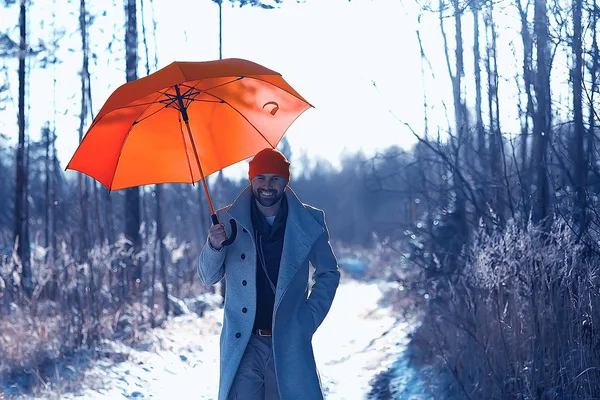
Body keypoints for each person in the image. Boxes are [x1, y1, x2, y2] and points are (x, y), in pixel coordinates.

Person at [197, 147, 340, 400]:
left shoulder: (309, 220)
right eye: (261, 177)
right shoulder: (226, 221)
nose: (267, 185)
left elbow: (328, 272)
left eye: (275, 178)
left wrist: (308, 318)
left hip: (288, 338)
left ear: (286, 181)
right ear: (251, 179)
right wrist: (214, 246)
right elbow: (208, 277)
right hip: (244, 342)